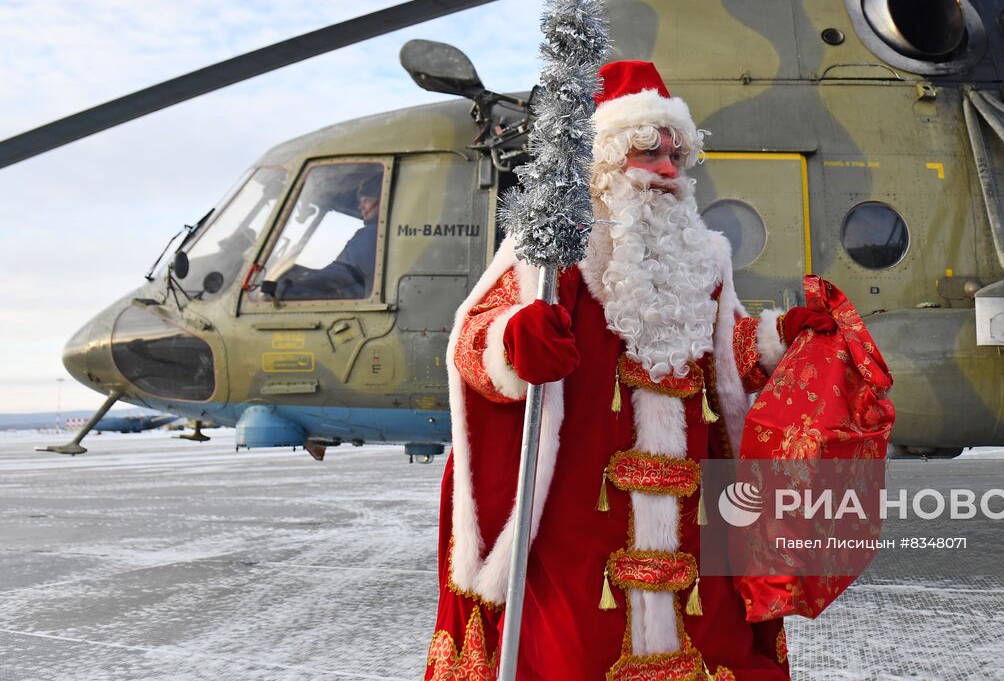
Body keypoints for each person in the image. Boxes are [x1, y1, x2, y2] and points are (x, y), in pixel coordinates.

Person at [426, 61, 835, 681]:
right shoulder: (553, 251)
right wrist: (515, 344)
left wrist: (781, 337)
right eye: (649, 152)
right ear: (607, 161)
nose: (670, 171)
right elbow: (471, 342)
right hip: (575, 523)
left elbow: (726, 360)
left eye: (677, 154)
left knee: (712, 645)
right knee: (572, 655)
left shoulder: (705, 258)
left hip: (694, 522)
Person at [275, 173, 382, 300]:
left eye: (366, 200)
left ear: (381, 200)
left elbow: (343, 277)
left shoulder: (371, 234)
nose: (361, 206)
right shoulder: (376, 234)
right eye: (360, 201)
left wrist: (291, 290)